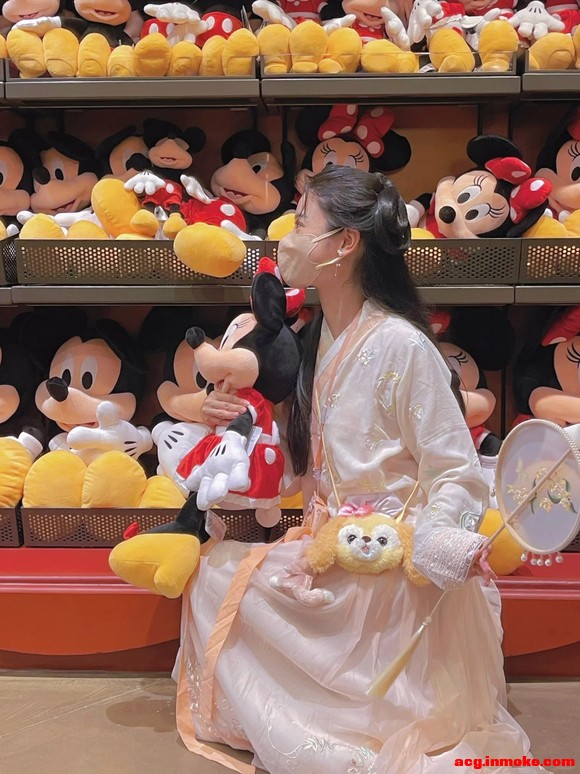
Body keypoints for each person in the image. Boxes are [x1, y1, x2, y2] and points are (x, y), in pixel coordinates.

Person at [174, 166, 546, 773]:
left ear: (343, 243)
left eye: (301, 223)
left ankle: (337, 712)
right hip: (326, 547)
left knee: (226, 586)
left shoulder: (402, 344)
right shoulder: (317, 337)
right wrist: (238, 435)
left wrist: (436, 540)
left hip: (388, 564)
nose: (288, 238)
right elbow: (303, 466)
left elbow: (457, 470)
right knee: (211, 575)